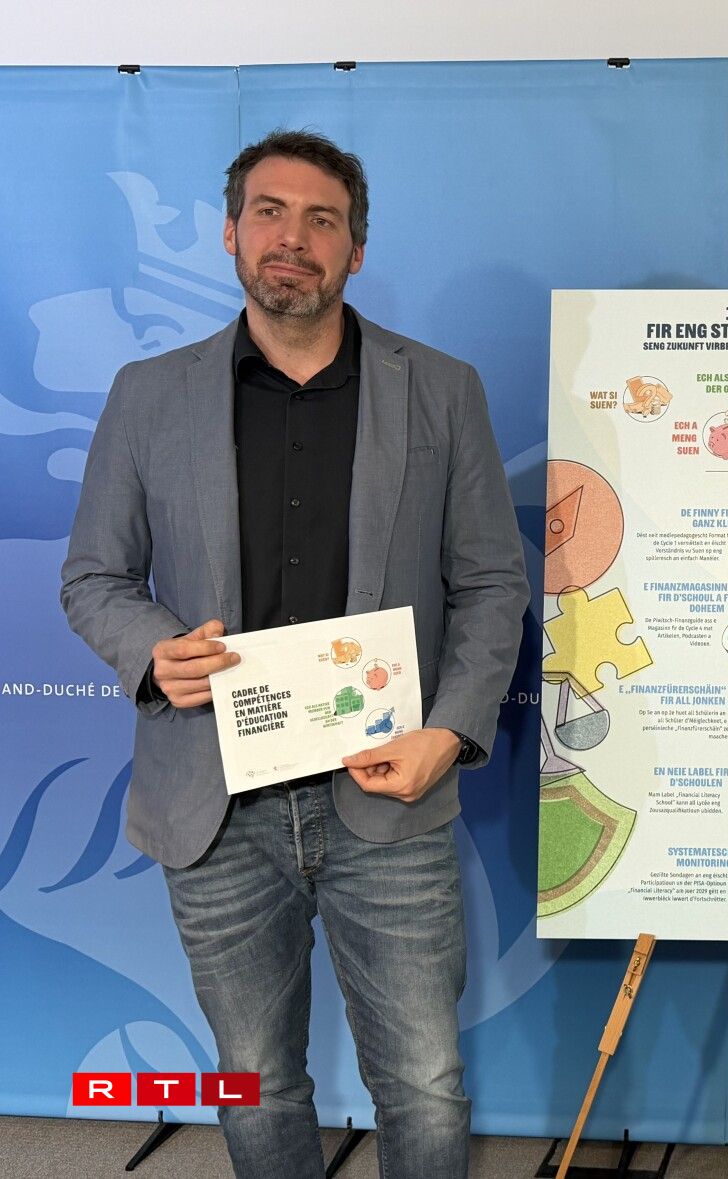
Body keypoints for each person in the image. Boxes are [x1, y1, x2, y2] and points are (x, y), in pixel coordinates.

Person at [60, 129, 529, 1179]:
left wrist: (450, 732)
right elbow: (93, 576)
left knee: (425, 1085)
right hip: (214, 801)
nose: (294, 238)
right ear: (231, 233)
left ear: (356, 249)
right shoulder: (149, 394)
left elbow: (494, 583)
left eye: (323, 219)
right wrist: (152, 651)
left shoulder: (440, 389)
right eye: (269, 212)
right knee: (257, 1081)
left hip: (388, 793)